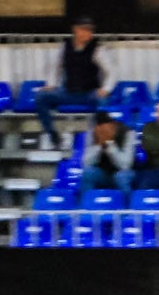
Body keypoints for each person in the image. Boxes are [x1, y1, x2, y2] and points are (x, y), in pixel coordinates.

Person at [34, 19, 107, 149]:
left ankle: (97, 140)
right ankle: (53, 136)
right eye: (84, 29)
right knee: (41, 97)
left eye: (90, 30)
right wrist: (51, 84)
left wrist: (106, 89)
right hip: (68, 92)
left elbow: (113, 71)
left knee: (103, 104)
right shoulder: (64, 47)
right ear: (75, 30)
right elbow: (55, 67)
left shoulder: (97, 49)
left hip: (89, 93)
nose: (87, 33)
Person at [77, 113, 137, 191]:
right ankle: (85, 202)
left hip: (123, 173)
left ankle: (128, 202)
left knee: (121, 177)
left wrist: (111, 146)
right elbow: (85, 163)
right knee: (88, 173)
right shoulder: (93, 134)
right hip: (102, 173)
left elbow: (125, 165)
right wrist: (99, 146)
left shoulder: (128, 133)